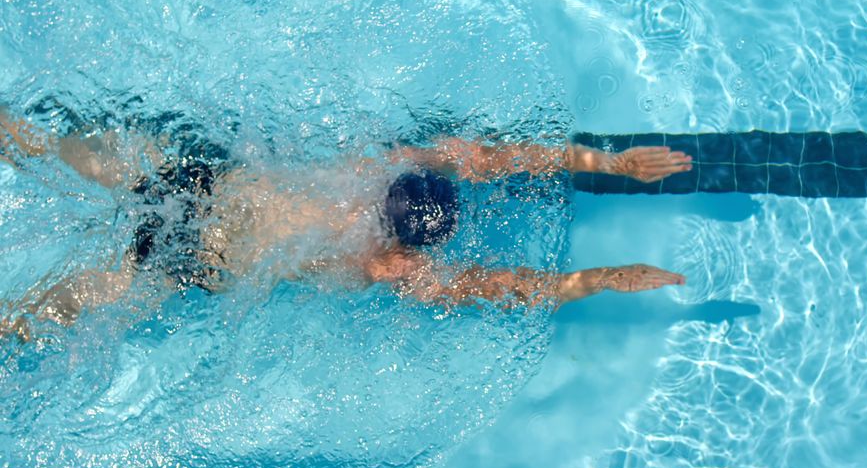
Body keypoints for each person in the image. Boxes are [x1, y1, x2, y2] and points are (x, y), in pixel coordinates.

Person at [0, 108, 692, 339]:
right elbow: (496, 282)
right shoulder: (387, 259)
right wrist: (595, 274)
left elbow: (497, 165)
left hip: (194, 195)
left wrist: (615, 167)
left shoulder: (387, 168)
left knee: (55, 149)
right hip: (193, 253)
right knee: (64, 304)